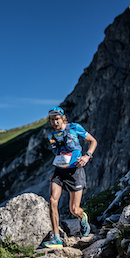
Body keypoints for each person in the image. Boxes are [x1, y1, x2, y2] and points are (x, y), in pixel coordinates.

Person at [42, 106, 97, 249]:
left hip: (75, 172)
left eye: (57, 119)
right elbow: (58, 154)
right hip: (59, 172)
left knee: (74, 209)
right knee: (53, 200)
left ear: (63, 118)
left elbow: (93, 141)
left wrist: (87, 156)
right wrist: (55, 172)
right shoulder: (51, 137)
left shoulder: (75, 128)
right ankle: (56, 238)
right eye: (52, 120)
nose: (55, 122)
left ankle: (82, 217)